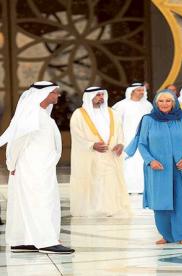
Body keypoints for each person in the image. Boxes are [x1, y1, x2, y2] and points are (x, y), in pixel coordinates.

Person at [1, 81, 74, 254]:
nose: (58, 95)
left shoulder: (40, 114)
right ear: (43, 94)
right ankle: (46, 241)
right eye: (54, 93)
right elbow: (17, 141)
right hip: (32, 168)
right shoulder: (32, 114)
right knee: (41, 201)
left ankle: (23, 241)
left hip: (41, 167)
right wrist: (11, 163)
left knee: (29, 202)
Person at [126, 89, 182, 244]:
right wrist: (150, 161)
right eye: (161, 101)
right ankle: (167, 235)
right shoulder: (148, 120)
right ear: (156, 103)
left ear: (174, 102)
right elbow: (142, 144)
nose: (164, 104)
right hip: (159, 168)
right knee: (161, 202)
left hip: (181, 168)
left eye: (168, 101)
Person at [70, 86, 131, 217]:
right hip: (91, 156)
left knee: (110, 181)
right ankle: (93, 210)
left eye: (102, 95)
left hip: (110, 155)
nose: (101, 98)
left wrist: (121, 144)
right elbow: (76, 136)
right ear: (89, 97)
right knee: (93, 182)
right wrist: (91, 145)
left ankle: (110, 209)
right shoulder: (79, 114)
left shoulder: (112, 113)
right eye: (98, 95)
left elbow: (120, 132)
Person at [113, 82, 153, 194]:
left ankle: (144, 187)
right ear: (132, 91)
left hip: (145, 139)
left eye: (142, 90)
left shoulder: (148, 105)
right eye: (139, 90)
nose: (142, 92)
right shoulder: (121, 105)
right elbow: (115, 124)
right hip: (127, 139)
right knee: (128, 163)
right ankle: (127, 188)